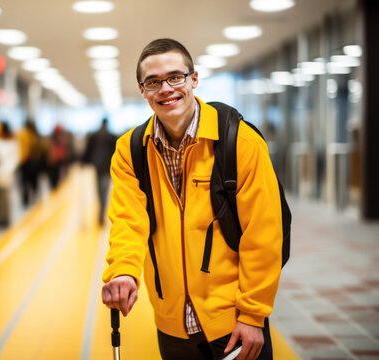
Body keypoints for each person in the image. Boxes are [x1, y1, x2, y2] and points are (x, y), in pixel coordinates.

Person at [101, 38, 282, 360]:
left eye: (175, 77)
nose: (165, 89)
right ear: (142, 90)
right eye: (153, 82)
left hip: (233, 319)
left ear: (194, 79)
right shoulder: (130, 150)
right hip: (171, 325)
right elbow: (128, 220)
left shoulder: (240, 142)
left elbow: (263, 234)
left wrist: (253, 315)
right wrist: (123, 271)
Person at [82, 118, 117, 225]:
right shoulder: (112, 136)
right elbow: (116, 151)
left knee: (98, 188)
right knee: (105, 189)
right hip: (107, 166)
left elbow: (88, 150)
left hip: (97, 165)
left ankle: (100, 209)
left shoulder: (94, 136)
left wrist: (84, 162)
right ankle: (102, 210)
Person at [0, 122, 18, 227]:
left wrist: (5, 170)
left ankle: (4, 218)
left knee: (3, 197)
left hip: (4, 173)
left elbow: (14, 158)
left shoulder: (10, 142)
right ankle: (0, 218)